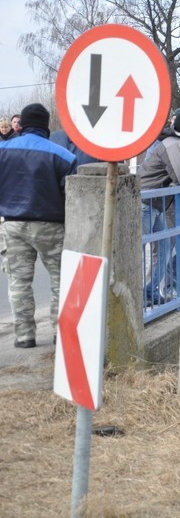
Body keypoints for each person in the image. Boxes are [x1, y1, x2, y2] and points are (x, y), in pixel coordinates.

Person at [0, 103, 77, 348]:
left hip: (12, 225)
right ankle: (59, 333)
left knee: (18, 282)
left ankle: (24, 337)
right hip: (51, 226)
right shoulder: (64, 156)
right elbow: (70, 198)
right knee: (59, 280)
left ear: (21, 124)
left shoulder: (3, 150)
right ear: (46, 125)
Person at [138, 108, 180, 305]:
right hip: (146, 202)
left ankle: (149, 292)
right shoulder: (173, 144)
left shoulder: (177, 143)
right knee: (137, 248)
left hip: (155, 204)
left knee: (164, 245)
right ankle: (133, 298)